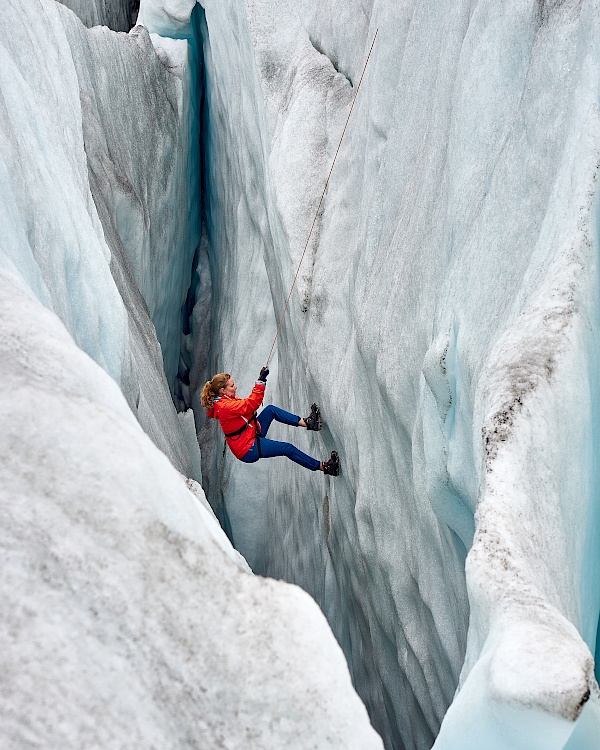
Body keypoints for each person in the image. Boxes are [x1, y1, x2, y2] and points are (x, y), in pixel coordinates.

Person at [201, 367, 340, 475]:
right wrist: (260, 382)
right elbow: (250, 404)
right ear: (223, 390)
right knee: (288, 448)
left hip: (250, 433)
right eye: (232, 386)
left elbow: (246, 408)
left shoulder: (226, 401)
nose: (235, 387)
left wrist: (260, 381)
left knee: (270, 410)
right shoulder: (224, 407)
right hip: (248, 448)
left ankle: (309, 423)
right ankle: (326, 467)